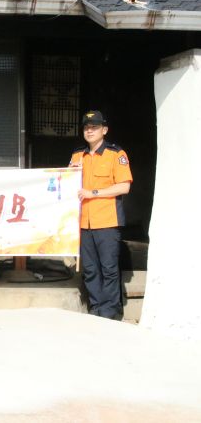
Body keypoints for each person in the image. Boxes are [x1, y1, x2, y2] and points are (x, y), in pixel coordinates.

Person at [69, 110, 132, 320]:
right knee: (89, 269)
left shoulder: (116, 154)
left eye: (94, 127)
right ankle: (95, 309)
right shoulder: (77, 155)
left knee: (109, 269)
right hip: (83, 223)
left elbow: (124, 187)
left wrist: (93, 193)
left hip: (107, 221)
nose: (89, 131)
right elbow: (65, 184)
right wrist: (69, 172)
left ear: (104, 130)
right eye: (86, 128)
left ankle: (110, 311)